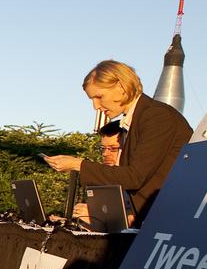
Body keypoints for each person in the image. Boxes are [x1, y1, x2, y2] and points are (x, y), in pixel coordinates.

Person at [44, 60, 192, 226]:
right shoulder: (137, 119)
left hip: (166, 222)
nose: (96, 106)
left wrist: (78, 164)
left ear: (121, 88)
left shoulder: (157, 116)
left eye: (99, 97)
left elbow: (134, 177)